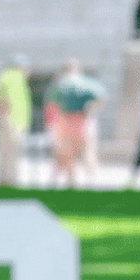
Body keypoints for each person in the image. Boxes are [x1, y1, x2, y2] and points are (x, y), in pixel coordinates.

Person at [45, 59, 106, 189]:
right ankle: (92, 182)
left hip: (66, 121)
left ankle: (71, 183)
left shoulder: (61, 84)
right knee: (88, 153)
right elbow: (101, 97)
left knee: (68, 155)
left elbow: (52, 105)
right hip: (85, 121)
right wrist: (91, 110)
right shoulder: (89, 83)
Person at [0, 55, 32, 188]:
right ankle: (9, 183)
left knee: (6, 154)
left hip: (12, 121)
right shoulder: (11, 77)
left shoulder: (10, 77)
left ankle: (5, 182)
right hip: (11, 122)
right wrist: (5, 118)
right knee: (10, 154)